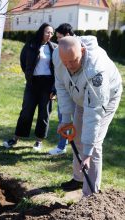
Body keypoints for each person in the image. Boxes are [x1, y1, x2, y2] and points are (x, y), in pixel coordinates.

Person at [53, 36, 122, 196]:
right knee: (76, 136)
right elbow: (62, 87)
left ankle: (90, 197)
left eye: (73, 61)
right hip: (80, 94)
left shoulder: (97, 71)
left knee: (94, 144)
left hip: (105, 98)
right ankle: (78, 178)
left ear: (83, 52)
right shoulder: (59, 56)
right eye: (66, 62)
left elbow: (94, 113)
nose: (69, 66)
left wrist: (87, 153)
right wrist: (66, 119)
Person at [3, 23, 57, 151]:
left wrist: (54, 89)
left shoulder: (55, 48)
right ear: (41, 32)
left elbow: (58, 69)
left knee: (44, 114)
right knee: (26, 111)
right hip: (32, 83)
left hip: (48, 84)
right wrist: (29, 74)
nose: (49, 35)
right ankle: (16, 138)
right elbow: (23, 61)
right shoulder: (31, 45)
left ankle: (39, 141)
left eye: (51, 33)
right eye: (47, 32)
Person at [48, 23, 75, 155]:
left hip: (78, 93)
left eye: (59, 37)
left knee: (79, 121)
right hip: (63, 91)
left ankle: (79, 150)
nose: (57, 40)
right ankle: (61, 146)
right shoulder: (57, 52)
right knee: (63, 118)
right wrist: (55, 89)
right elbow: (58, 74)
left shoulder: (79, 49)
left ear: (68, 36)